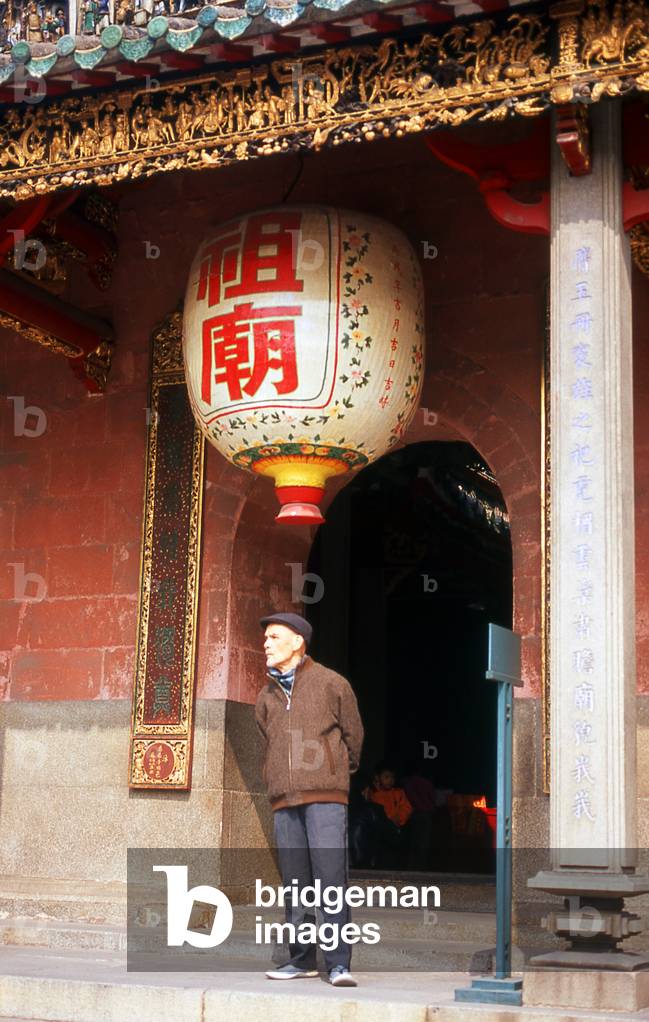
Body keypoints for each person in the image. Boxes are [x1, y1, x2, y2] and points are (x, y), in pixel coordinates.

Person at [255, 611, 364, 987]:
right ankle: (301, 959)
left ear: (297, 641)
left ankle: (338, 964)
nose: (265, 644)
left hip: (325, 797)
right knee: (296, 884)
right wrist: (275, 776)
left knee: (330, 879)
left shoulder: (332, 683)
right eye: (265, 638)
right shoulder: (266, 696)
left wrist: (331, 775)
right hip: (285, 800)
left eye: (273, 636)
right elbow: (268, 741)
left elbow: (354, 736)